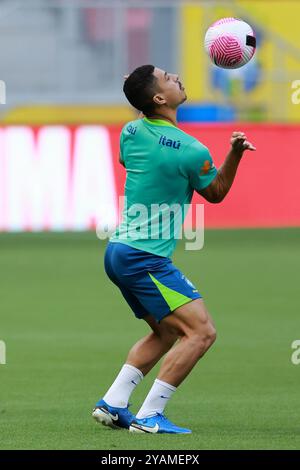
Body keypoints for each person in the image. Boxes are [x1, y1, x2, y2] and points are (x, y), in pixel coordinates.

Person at [92, 65, 256, 434]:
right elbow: (215, 194)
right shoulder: (191, 150)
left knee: (167, 332)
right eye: (168, 78)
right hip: (145, 257)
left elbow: (135, 148)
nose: (177, 77)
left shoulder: (130, 132)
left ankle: (114, 403)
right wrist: (235, 153)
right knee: (201, 332)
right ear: (160, 98)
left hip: (118, 252)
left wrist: (139, 95)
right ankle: (150, 416)